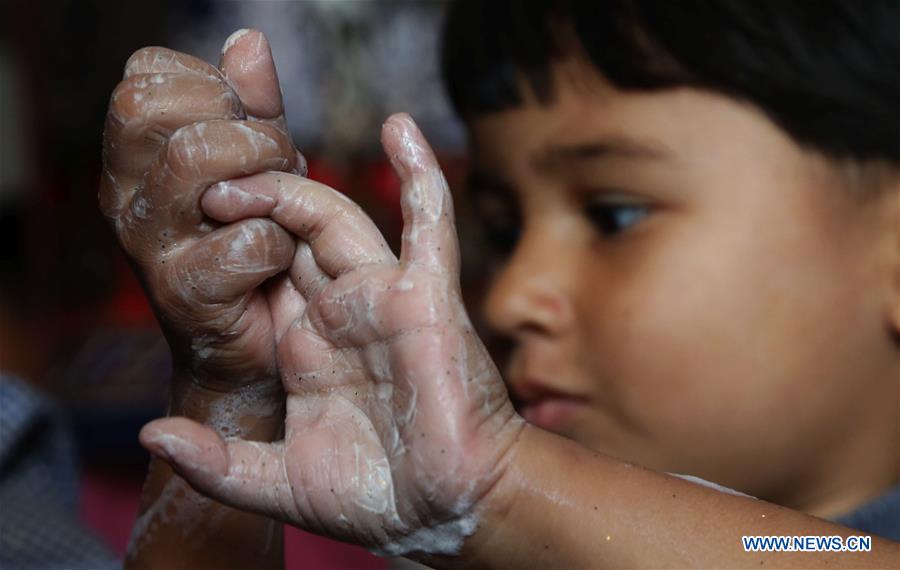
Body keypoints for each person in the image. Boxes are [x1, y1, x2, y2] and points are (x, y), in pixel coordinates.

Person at [103, 2, 899, 568]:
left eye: (615, 215)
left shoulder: (808, 543)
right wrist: (228, 386)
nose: (512, 297)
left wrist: (504, 487)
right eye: (502, 233)